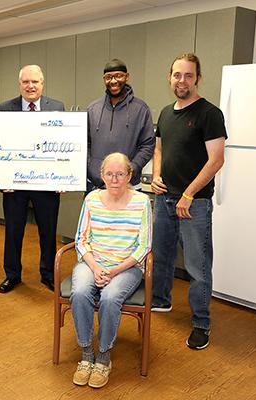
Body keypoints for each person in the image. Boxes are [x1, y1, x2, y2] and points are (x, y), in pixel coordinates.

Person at [150, 53, 226, 350]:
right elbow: (159, 149)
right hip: (164, 200)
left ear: (197, 79)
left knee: (197, 266)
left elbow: (216, 160)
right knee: (162, 256)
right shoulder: (166, 112)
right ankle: (160, 300)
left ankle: (201, 323)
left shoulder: (209, 113)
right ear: (169, 77)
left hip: (193, 204)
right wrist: (156, 176)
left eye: (188, 76)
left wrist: (189, 194)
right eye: (177, 75)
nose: (182, 81)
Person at [71, 152, 151, 389]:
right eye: (109, 174)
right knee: (80, 291)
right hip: (93, 262)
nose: (115, 179)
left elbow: (144, 246)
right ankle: (86, 354)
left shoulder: (141, 202)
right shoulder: (92, 199)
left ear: (129, 175)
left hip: (126, 266)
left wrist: (115, 270)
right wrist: (95, 266)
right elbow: (81, 240)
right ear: (102, 176)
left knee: (109, 297)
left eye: (120, 174)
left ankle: (104, 357)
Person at [0, 64, 65, 294]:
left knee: (48, 231)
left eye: (35, 81)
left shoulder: (57, 108)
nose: (30, 86)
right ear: (20, 85)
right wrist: (1, 180)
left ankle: (47, 274)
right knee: (13, 231)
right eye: (26, 82)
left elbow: (63, 146)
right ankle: (12, 274)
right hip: (14, 186)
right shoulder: (5, 109)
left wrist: (64, 177)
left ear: (42, 83)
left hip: (46, 183)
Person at [86, 59, 155, 193]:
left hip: (129, 186)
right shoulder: (92, 109)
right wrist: (91, 168)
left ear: (127, 77)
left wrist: (131, 170)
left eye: (118, 75)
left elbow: (147, 145)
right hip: (96, 186)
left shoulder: (141, 109)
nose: (113, 81)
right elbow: (84, 144)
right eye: (108, 77)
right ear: (104, 79)